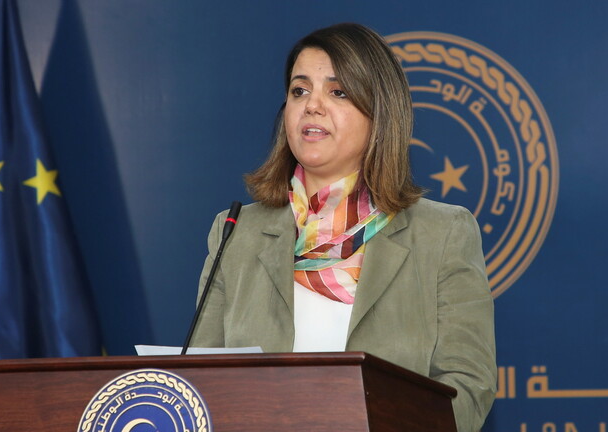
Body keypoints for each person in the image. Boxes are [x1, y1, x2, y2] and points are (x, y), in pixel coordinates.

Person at [192, 23, 496, 431]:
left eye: (337, 92)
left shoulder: (442, 234)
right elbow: (199, 383)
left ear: (379, 113)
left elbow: (468, 387)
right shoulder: (236, 233)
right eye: (299, 90)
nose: (312, 106)